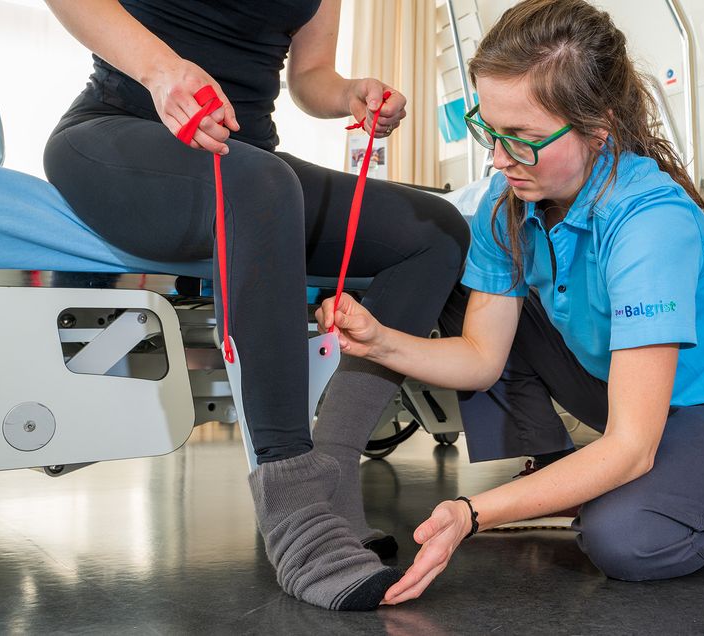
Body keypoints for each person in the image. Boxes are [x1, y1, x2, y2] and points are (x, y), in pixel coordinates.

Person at [317, 0, 704, 605]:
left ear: (599, 126)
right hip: (621, 393)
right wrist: (380, 340)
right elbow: (482, 358)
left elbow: (630, 444)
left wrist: (472, 512)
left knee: (624, 539)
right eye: (489, 130)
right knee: (468, 280)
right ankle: (593, 476)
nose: (496, 158)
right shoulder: (505, 202)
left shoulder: (649, 222)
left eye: (523, 139)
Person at [42, 0, 469, 612]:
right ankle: (293, 506)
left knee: (437, 230)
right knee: (261, 185)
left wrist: (350, 91)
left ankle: (335, 469)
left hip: (249, 162)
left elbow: (308, 76)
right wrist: (163, 71)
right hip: (117, 132)